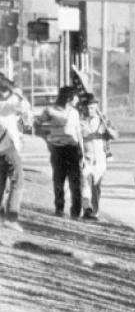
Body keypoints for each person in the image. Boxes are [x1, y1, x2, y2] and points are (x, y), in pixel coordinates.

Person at [36, 86, 83, 218]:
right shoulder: (50, 111)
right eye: (76, 96)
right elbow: (37, 123)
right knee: (59, 180)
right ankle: (59, 208)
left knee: (75, 181)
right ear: (69, 98)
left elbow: (78, 132)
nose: (78, 99)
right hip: (57, 150)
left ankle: (76, 212)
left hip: (73, 149)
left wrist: (82, 153)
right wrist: (46, 140)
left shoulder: (75, 112)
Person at [0, 75, 33, 231]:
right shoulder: (6, 103)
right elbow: (24, 108)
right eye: (5, 90)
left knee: (1, 182)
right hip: (8, 146)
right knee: (17, 180)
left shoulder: (7, 102)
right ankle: (11, 218)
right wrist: (18, 95)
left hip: (4, 146)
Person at [78, 93, 116, 220]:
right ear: (83, 108)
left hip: (100, 159)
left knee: (96, 186)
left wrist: (110, 132)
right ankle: (86, 210)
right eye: (88, 108)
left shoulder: (103, 121)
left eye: (93, 108)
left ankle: (95, 211)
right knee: (85, 184)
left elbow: (115, 135)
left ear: (96, 108)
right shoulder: (80, 122)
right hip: (86, 159)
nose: (90, 111)